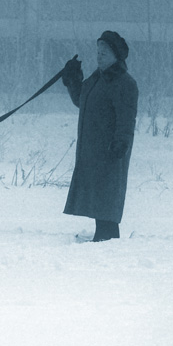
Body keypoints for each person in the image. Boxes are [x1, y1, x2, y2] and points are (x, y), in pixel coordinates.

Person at [59, 30, 139, 242]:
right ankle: (103, 236)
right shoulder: (97, 78)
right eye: (98, 50)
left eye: (105, 51)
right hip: (92, 149)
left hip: (111, 149)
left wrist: (121, 142)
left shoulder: (124, 83)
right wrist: (73, 78)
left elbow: (126, 118)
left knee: (107, 194)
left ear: (116, 55)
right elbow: (81, 100)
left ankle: (108, 239)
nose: (99, 55)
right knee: (97, 193)